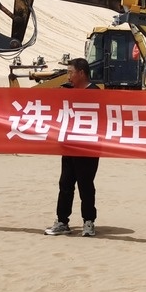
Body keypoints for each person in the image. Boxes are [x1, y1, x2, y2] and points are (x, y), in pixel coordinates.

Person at [45, 58, 101, 237]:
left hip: (88, 148)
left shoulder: (95, 93)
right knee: (65, 184)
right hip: (69, 146)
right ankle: (62, 221)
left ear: (81, 73)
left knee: (86, 185)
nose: (68, 76)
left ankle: (88, 222)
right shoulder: (67, 91)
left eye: (71, 72)